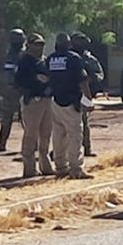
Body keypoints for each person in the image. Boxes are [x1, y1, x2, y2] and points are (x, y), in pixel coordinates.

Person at [46, 33, 94, 180]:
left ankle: (60, 167)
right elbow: (82, 80)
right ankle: (76, 168)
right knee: (75, 136)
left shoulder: (50, 59)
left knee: (58, 135)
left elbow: (47, 78)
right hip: (72, 102)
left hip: (55, 101)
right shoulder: (73, 58)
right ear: (69, 44)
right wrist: (88, 98)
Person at [15, 33, 55, 178]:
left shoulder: (45, 61)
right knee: (31, 134)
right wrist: (34, 78)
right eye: (36, 44)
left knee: (46, 133)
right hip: (32, 100)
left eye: (42, 44)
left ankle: (45, 165)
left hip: (47, 99)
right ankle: (29, 168)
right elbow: (18, 81)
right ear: (29, 45)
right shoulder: (24, 61)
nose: (39, 47)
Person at [0, 28, 26, 152]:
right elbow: (3, 73)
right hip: (9, 90)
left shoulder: (25, 55)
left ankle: (33, 143)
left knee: (26, 120)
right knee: (6, 118)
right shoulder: (8, 55)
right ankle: (2, 142)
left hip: (23, 91)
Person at [71, 33, 105, 158]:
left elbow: (100, 74)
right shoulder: (69, 57)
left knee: (84, 122)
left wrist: (91, 79)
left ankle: (87, 148)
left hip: (85, 94)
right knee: (66, 123)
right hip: (70, 93)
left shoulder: (90, 59)